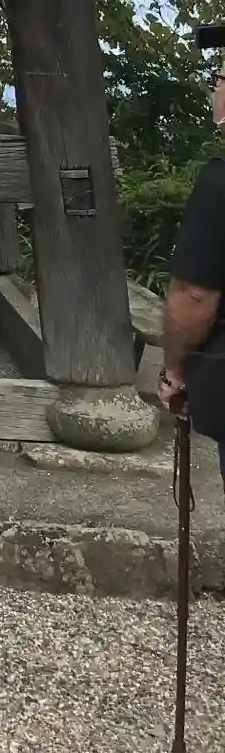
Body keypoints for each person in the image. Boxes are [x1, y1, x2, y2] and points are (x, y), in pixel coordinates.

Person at [157, 68, 225, 475]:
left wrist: (176, 370)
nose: (214, 88)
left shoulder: (221, 183)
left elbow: (194, 295)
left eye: (219, 78)